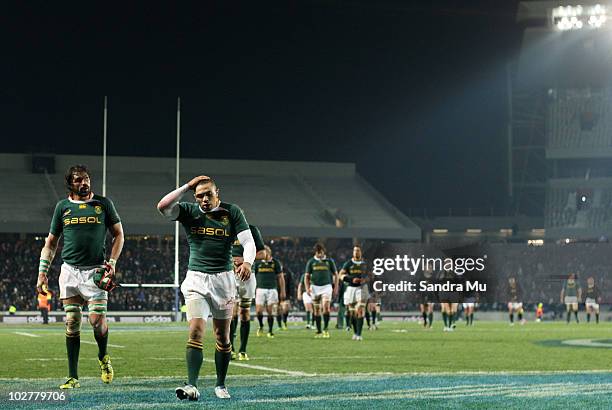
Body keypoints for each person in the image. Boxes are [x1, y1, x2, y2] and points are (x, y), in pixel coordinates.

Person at [157, 175, 255, 400]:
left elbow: (249, 242)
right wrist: (187, 186)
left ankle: (220, 384)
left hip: (223, 280)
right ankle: (191, 385)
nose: (203, 199)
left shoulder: (232, 212)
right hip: (196, 280)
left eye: (208, 194)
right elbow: (162, 206)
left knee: (222, 336)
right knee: (195, 331)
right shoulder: (190, 211)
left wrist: (248, 262)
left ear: (217, 193)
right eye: (199, 195)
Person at [36, 164, 124, 389]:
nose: (83, 183)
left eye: (86, 179)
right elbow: (51, 243)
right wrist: (42, 273)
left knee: (96, 321)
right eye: (78, 180)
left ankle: (103, 357)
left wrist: (112, 263)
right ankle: (73, 376)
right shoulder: (62, 207)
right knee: (72, 323)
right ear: (70, 184)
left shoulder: (103, 204)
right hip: (70, 272)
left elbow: (119, 235)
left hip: (96, 271)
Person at [230, 224, 265, 361]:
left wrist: (245, 260)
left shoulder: (252, 230)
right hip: (229, 275)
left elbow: (263, 253)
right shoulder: (226, 229)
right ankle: (230, 348)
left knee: (244, 313)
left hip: (247, 275)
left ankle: (242, 350)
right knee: (230, 312)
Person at [304, 243, 338, 338]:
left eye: (321, 252)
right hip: (315, 287)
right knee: (317, 310)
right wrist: (307, 288)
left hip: (326, 287)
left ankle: (326, 329)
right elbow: (306, 276)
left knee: (326, 307)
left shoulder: (329, 261)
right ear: (315, 252)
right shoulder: (311, 262)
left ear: (324, 251)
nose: (320, 254)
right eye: (318, 253)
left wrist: (335, 287)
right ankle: (319, 331)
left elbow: (336, 275)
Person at [254, 245, 285, 338]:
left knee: (270, 311)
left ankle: (270, 331)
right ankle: (261, 325)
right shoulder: (257, 263)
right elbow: (253, 276)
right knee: (259, 311)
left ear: (268, 252)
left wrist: (282, 291)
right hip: (260, 289)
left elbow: (281, 277)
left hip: (272, 289)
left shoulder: (275, 263)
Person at [339, 245, 368, 341]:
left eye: (358, 250)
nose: (356, 252)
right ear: (353, 252)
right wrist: (351, 279)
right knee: (353, 313)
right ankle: (355, 332)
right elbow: (340, 275)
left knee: (360, 309)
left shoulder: (366, 264)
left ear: (361, 252)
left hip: (362, 288)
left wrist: (365, 279)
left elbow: (372, 275)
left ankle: (359, 334)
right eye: (355, 250)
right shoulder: (348, 263)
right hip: (351, 288)